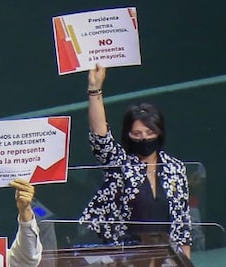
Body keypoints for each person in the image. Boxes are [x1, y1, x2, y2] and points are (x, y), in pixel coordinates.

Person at [78, 63, 192, 256]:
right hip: (121, 256)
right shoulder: (120, 164)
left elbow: (182, 227)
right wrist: (94, 90)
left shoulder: (175, 168)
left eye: (150, 132)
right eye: (137, 133)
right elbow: (100, 137)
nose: (144, 138)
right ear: (128, 134)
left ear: (159, 132)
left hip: (163, 257)